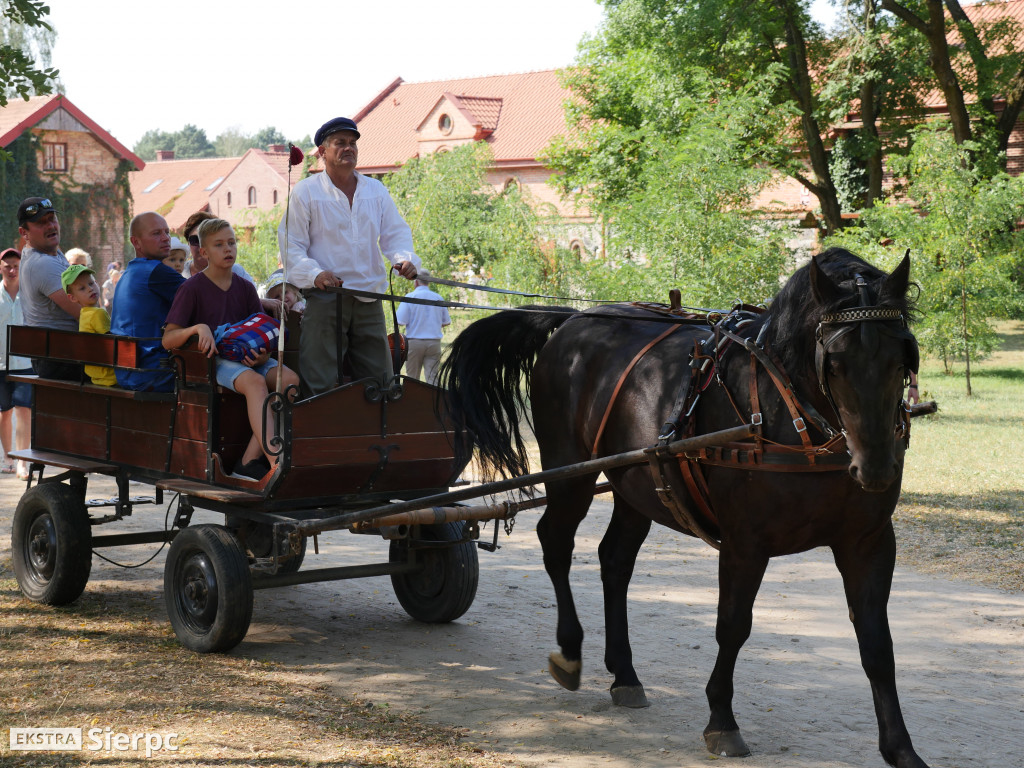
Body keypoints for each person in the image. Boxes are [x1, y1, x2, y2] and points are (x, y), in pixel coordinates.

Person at [278, 116, 420, 394]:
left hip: (370, 298)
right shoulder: (306, 192)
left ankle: (377, 436)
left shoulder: (375, 190)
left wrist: (404, 260)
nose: (349, 148)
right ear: (322, 152)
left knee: (382, 381)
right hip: (326, 298)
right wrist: (315, 274)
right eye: (340, 143)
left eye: (352, 143)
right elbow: (291, 244)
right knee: (320, 382)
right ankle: (321, 434)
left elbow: (395, 233)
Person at [163, 219, 299, 481]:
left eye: (231, 243)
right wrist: (197, 328)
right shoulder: (191, 288)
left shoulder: (245, 287)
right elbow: (168, 339)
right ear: (203, 252)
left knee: (290, 381)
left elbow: (262, 331)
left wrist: (263, 355)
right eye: (219, 245)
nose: (228, 249)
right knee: (255, 382)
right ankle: (276, 464)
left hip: (251, 357)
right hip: (215, 361)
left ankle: (248, 460)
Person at [109, 212, 184, 391]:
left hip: (128, 372)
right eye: (156, 233)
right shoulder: (155, 271)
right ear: (136, 242)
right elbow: (206, 298)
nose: (166, 238)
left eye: (167, 232)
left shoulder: (131, 271)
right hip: (152, 373)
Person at [16, 196, 82, 381]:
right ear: (24, 232)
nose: (51, 226)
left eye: (52, 219)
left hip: (60, 355)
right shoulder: (42, 263)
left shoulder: (51, 252)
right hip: (61, 359)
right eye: (40, 223)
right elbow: (83, 312)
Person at [0, 248, 33, 478]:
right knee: (5, 412)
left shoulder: (30, 295)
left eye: (15, 266)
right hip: (0, 363)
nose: (12, 270)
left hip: (26, 361)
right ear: (0, 268)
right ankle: (8, 456)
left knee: (24, 410)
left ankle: (22, 460)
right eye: (7, 266)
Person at [61, 264, 116, 387]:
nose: (90, 289)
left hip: (96, 376)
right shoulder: (98, 313)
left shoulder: (84, 314)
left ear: (97, 283)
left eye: (91, 284)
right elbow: (114, 342)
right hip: (111, 375)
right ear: (72, 298)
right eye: (82, 288)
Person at [396, 276, 450, 385]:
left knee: (412, 377)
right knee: (433, 377)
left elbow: (400, 320)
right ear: (428, 282)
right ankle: (433, 401)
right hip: (434, 342)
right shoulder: (438, 297)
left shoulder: (410, 296)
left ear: (416, 282)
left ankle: (413, 400)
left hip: (414, 342)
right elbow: (446, 322)